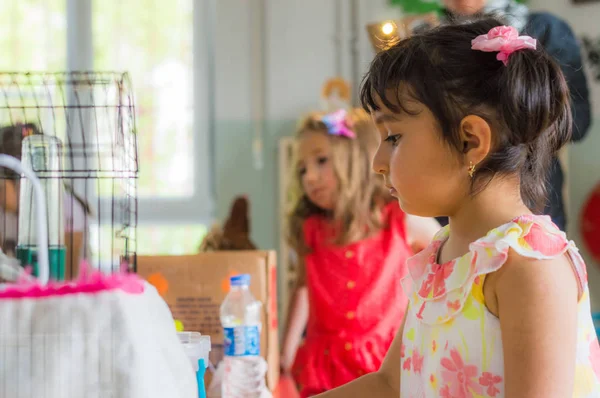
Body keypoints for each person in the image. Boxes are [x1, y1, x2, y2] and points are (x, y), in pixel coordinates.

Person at [316, 18, 600, 397]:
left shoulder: (530, 265)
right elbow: (389, 385)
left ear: (470, 141)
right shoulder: (443, 255)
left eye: (395, 137)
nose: (377, 163)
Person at [281, 108, 439, 397]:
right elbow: (302, 288)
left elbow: (447, 257)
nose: (310, 177)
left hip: (386, 360)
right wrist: (285, 354)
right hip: (326, 365)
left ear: (355, 160)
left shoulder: (398, 219)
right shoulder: (311, 230)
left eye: (321, 161)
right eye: (302, 169)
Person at [435, 0, 592, 232]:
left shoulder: (545, 29)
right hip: (447, 208)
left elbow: (577, 121)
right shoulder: (427, 40)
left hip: (528, 202)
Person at [0, 123, 92, 278]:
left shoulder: (67, 209)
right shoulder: (4, 212)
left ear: (21, 179)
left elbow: (67, 277)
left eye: (1, 189)